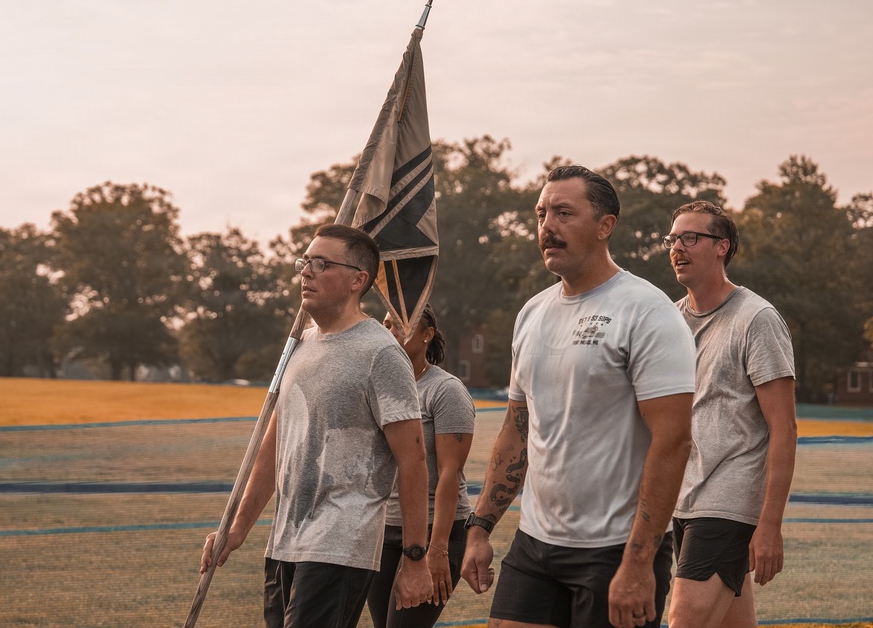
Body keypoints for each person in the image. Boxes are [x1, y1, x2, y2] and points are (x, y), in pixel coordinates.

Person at [460, 164, 697, 628]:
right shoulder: (532, 313)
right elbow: (517, 428)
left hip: (614, 549)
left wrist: (639, 563)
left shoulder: (646, 311)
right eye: (542, 213)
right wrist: (480, 526)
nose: (548, 225)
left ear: (605, 226)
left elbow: (674, 442)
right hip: (535, 543)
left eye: (564, 212)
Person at [200, 223, 433, 628]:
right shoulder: (299, 345)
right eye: (304, 262)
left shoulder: (381, 353)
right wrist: (237, 529)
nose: (305, 272)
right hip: (285, 541)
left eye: (321, 263)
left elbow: (412, 460)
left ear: (358, 280)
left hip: (340, 542)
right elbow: (271, 449)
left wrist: (415, 559)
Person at [664, 201, 797, 628]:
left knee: (685, 619)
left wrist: (770, 525)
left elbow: (784, 428)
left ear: (722, 246)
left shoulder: (756, 319)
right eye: (672, 239)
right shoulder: (668, 320)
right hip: (680, 496)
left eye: (691, 238)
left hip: (728, 500)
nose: (677, 248)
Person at [367, 304, 476, 628]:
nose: (389, 333)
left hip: (434, 533)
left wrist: (438, 549)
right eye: (385, 325)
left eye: (399, 326)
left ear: (427, 334)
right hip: (382, 532)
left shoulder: (446, 391)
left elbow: (449, 473)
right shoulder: (377, 388)